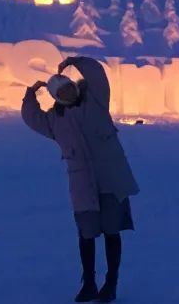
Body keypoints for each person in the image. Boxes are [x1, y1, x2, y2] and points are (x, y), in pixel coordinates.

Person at [22, 55, 139, 303]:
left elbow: (97, 73)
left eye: (68, 87)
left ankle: (110, 284)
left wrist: (75, 61)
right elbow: (32, 118)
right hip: (83, 186)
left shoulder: (96, 100)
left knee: (111, 232)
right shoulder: (55, 121)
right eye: (61, 92)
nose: (67, 93)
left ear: (74, 85)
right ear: (56, 97)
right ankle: (89, 284)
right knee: (87, 234)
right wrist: (30, 94)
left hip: (110, 180)